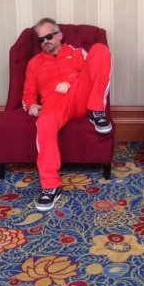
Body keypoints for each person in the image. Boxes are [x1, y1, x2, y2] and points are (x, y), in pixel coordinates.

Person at [23, 18, 112, 211]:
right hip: (54, 103)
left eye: (48, 36)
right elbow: (28, 92)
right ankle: (50, 186)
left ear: (59, 35)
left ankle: (96, 110)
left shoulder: (77, 52)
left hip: (81, 96)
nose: (45, 41)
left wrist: (71, 81)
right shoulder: (34, 63)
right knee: (44, 124)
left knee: (100, 49)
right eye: (41, 39)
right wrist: (31, 105)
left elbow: (94, 72)